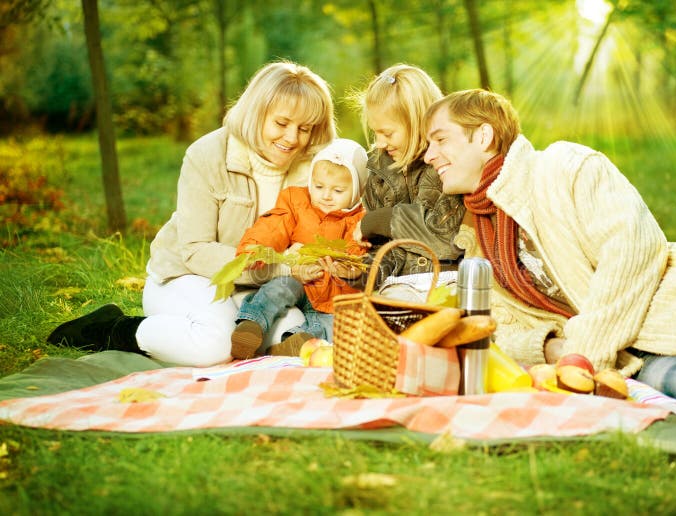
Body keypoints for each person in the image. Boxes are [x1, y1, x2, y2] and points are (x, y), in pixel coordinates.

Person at [422, 88, 676, 423]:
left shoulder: (563, 166)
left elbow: (632, 247)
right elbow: (498, 327)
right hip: (636, 357)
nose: (428, 155)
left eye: (440, 139)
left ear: (484, 135)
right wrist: (552, 348)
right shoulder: (476, 239)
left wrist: (585, 352)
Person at [47, 61, 336, 367]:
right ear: (256, 112)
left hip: (255, 290)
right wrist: (282, 268)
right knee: (217, 345)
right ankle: (113, 329)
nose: (292, 138)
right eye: (281, 123)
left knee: (291, 335)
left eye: (304, 128)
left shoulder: (314, 170)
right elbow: (196, 251)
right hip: (185, 276)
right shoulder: (208, 154)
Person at [229, 138, 369, 360]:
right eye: (319, 186)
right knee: (277, 288)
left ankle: (297, 344)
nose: (326, 195)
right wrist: (255, 249)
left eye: (338, 190)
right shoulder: (296, 201)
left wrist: (347, 270)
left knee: (337, 326)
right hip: (299, 278)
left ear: (358, 191)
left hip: (334, 294)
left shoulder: (360, 221)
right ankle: (251, 325)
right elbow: (274, 225)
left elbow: (359, 254)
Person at [352, 64, 465, 285]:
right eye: (376, 132)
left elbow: (447, 239)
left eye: (387, 133)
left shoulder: (444, 166)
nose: (380, 143)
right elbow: (385, 254)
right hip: (398, 293)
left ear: (418, 122)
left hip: (446, 286)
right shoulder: (379, 169)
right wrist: (360, 274)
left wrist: (382, 219)